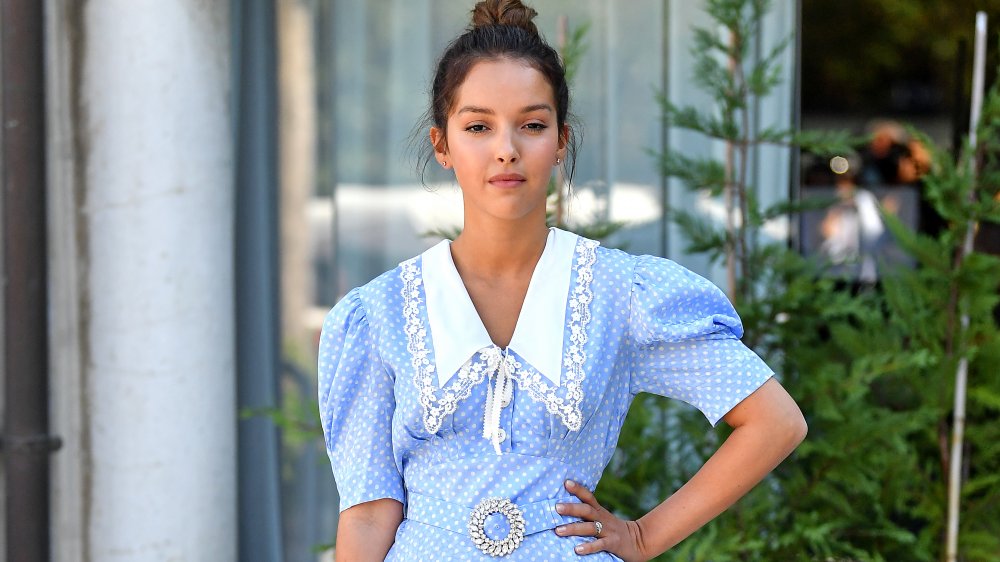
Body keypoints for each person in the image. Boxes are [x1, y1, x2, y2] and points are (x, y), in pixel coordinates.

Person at [318, 1, 807, 560]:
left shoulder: (620, 293)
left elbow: (774, 422)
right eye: (478, 126)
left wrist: (645, 536)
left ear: (561, 141)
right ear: (443, 145)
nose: (506, 148)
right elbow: (369, 514)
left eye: (532, 125)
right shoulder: (378, 313)